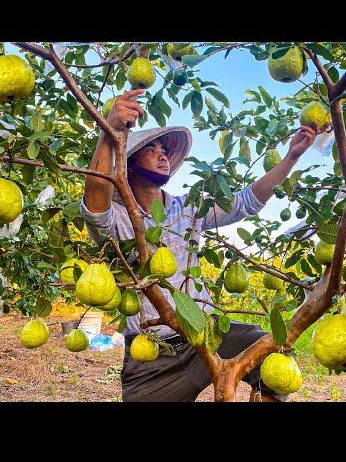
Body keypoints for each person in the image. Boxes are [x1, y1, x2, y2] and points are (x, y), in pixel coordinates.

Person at [80, 88, 323, 402]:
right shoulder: (118, 220)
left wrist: (291, 157)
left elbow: (246, 202)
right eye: (151, 149)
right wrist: (110, 132)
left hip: (208, 333)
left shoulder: (189, 208)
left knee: (272, 355)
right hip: (152, 352)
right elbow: (95, 196)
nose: (163, 154)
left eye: (164, 149)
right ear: (127, 162)